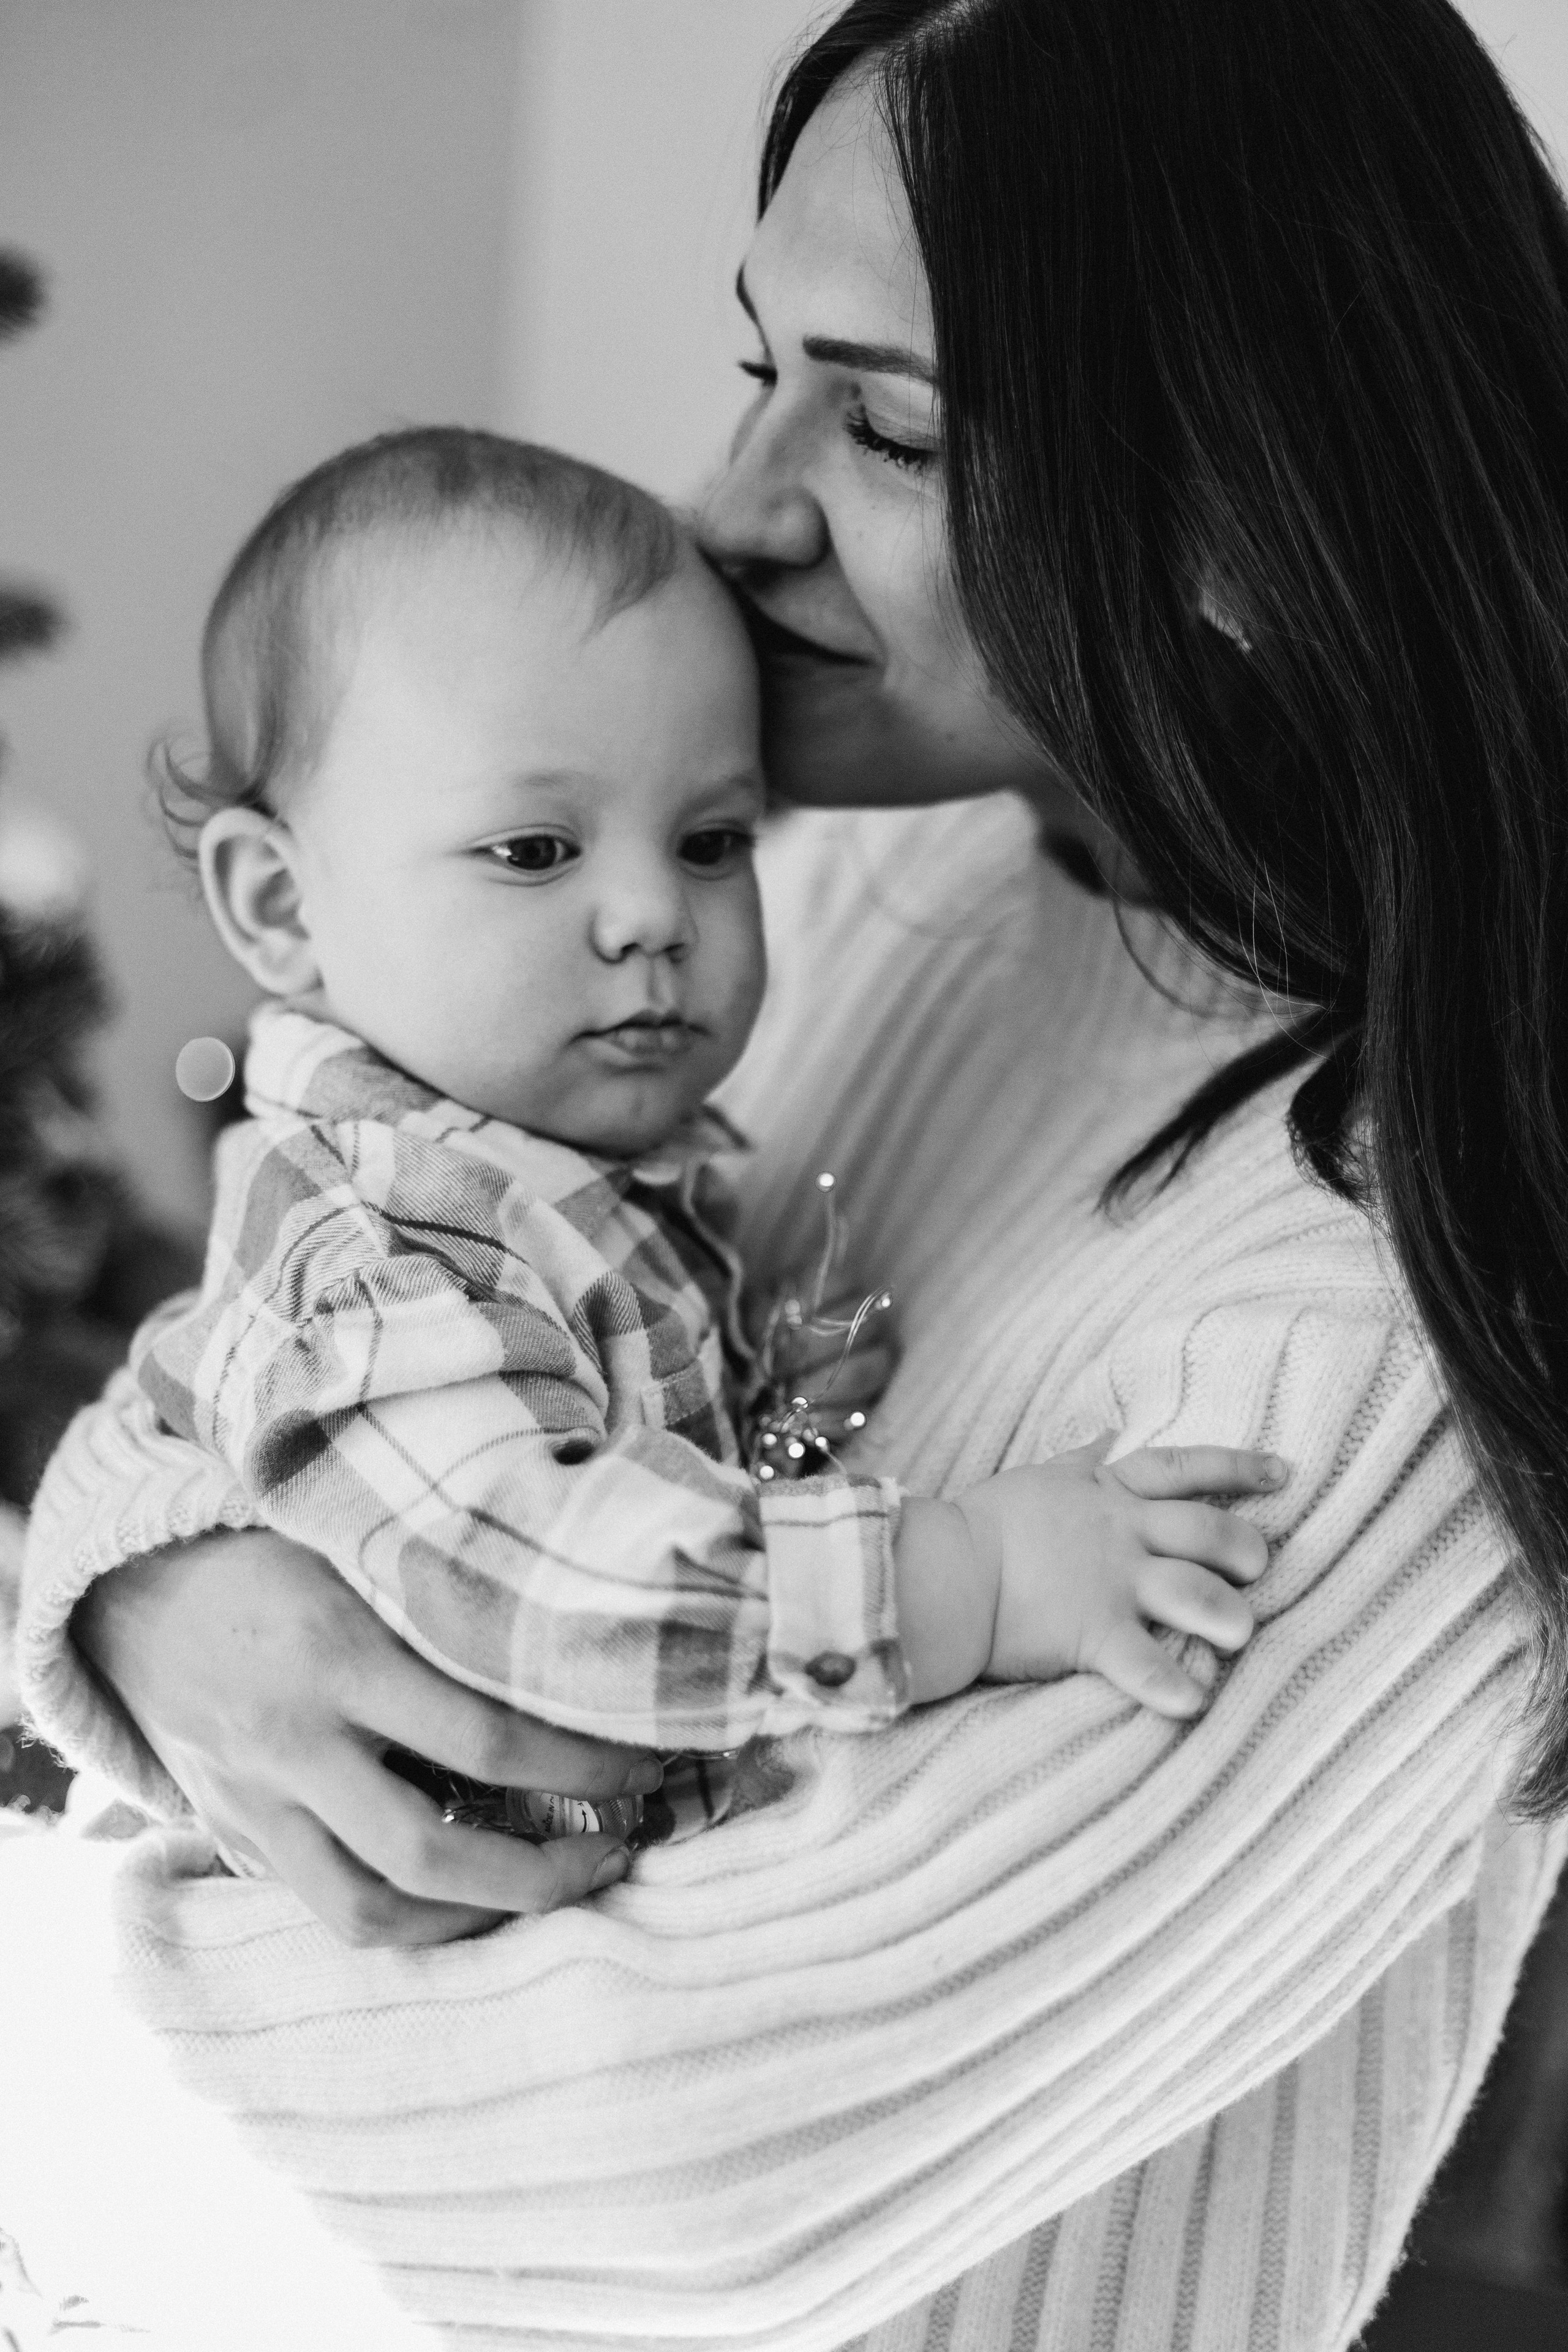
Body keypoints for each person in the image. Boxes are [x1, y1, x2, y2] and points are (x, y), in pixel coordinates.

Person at [9, 0, 1568, 2342]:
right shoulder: (820, 890)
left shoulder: (1393, 1298)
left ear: (1249, 501)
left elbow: (669, 2160)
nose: (728, 506)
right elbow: (300, 1310)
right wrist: (162, 1600)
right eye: (762, 369)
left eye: (887, 424)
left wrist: (84, 1956)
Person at [132, 421, 1275, 1856]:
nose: (652, 916)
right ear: (283, 908)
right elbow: (544, 1593)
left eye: (711, 842)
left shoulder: (547, 1159)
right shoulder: (383, 1236)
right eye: (535, 851)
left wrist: (781, 1410)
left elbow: (617, 1445)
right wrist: (966, 1576)